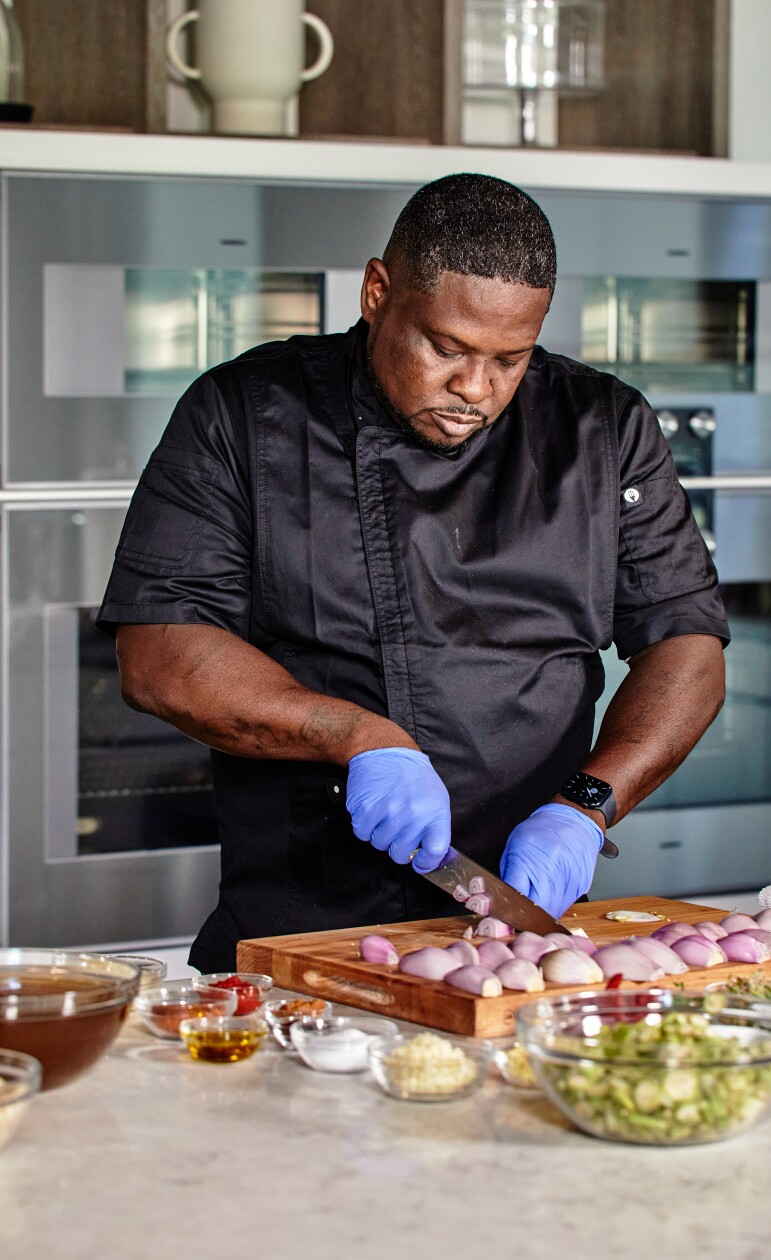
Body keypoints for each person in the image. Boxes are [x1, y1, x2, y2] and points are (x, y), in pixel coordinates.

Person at [97, 173, 728, 971]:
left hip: (518, 928)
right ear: (376, 291)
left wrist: (588, 807)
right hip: (302, 927)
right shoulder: (244, 412)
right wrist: (359, 738)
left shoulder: (601, 426)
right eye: (447, 348)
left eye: (511, 359)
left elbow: (687, 645)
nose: (475, 390)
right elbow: (159, 651)